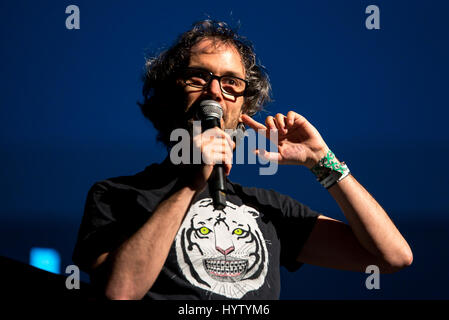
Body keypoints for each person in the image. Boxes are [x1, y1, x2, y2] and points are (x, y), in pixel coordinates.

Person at [72, 20, 413, 300]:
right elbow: (119, 292)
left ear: (243, 109)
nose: (215, 92)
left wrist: (322, 161)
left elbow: (391, 257)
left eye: (231, 82)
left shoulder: (266, 207)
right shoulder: (116, 195)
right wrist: (192, 183)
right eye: (198, 77)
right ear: (167, 94)